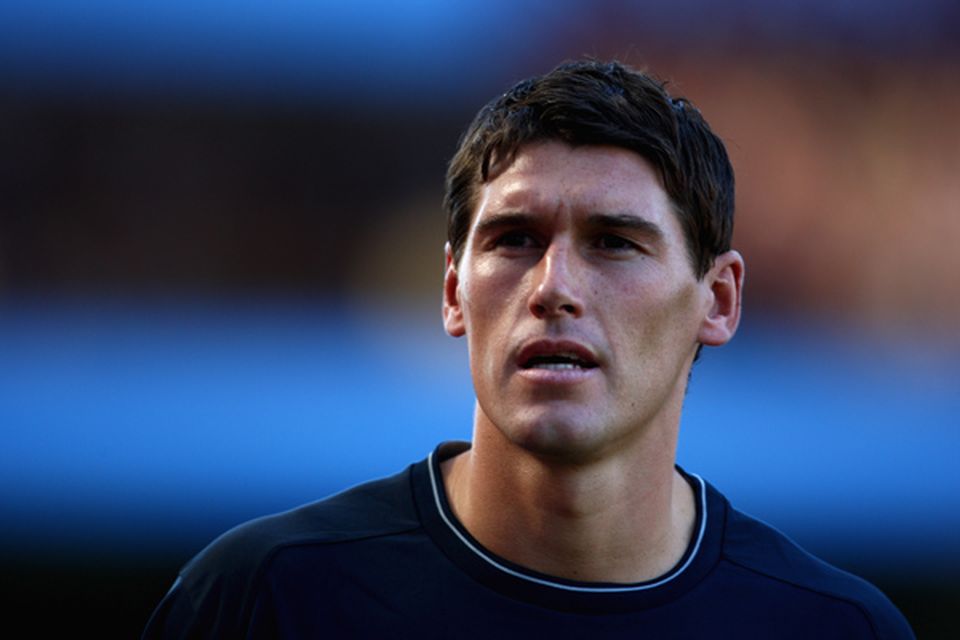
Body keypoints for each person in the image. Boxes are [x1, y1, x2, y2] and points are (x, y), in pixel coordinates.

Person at [142, 59, 914, 639]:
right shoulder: (264, 598)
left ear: (718, 301)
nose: (554, 287)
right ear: (453, 292)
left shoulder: (835, 627)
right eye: (515, 239)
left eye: (614, 243)